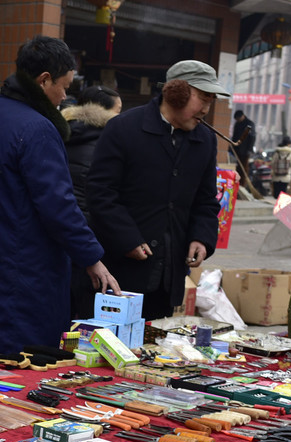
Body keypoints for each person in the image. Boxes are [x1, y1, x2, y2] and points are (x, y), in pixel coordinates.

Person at [0, 36, 120, 358]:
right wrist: (92, 258)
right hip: (27, 272)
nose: (64, 96)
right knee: (24, 367)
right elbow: (58, 205)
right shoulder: (37, 128)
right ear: (44, 80)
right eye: (64, 86)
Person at [86, 60, 226, 321]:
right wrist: (127, 238)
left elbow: (206, 200)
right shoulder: (124, 128)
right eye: (202, 99)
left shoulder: (204, 140)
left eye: (211, 100)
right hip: (119, 273)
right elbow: (100, 192)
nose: (206, 109)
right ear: (176, 92)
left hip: (168, 275)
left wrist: (201, 237)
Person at [63, 85, 123, 319]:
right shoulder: (108, 142)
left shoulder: (62, 131)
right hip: (92, 234)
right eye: (118, 110)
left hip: (62, 230)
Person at [231, 110, 258, 196]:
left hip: (245, 150)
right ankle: (237, 184)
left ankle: (242, 185)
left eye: (238, 119)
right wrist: (232, 146)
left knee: (244, 168)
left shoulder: (250, 124)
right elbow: (234, 136)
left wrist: (249, 150)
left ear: (242, 116)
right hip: (237, 149)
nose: (238, 121)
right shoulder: (237, 124)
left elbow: (252, 137)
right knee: (238, 167)